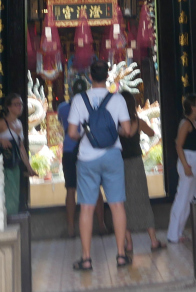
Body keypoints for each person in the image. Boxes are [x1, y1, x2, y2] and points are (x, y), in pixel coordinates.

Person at [67, 60, 135, 271]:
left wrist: (85, 134)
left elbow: (72, 133)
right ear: (107, 76)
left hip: (87, 158)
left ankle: (86, 258)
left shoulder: (79, 100)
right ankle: (121, 255)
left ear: (89, 76)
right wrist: (115, 131)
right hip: (112, 156)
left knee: (86, 208)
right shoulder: (117, 99)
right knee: (117, 205)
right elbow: (127, 130)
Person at [119, 89, 164, 259]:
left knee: (123, 203)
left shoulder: (115, 124)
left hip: (120, 165)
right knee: (143, 200)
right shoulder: (138, 122)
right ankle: (153, 240)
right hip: (137, 164)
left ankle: (129, 243)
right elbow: (152, 133)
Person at [166, 93, 196, 244]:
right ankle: (174, 234)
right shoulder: (186, 123)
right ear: (192, 107)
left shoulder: (193, 122)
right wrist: (185, 166)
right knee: (184, 197)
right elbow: (178, 145)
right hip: (189, 161)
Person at [0, 93, 35, 216]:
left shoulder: (19, 123)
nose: (20, 107)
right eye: (16, 104)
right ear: (9, 107)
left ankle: (12, 217)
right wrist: (0, 140)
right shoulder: (2, 123)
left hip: (15, 163)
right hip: (4, 164)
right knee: (7, 193)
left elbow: (21, 148)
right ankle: (6, 218)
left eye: (21, 104)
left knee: (14, 194)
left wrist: (29, 167)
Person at [55, 91, 78, 238]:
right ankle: (102, 225)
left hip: (69, 149)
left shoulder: (62, 108)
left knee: (70, 188)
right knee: (94, 187)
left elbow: (60, 122)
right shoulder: (89, 106)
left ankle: (70, 228)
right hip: (87, 149)